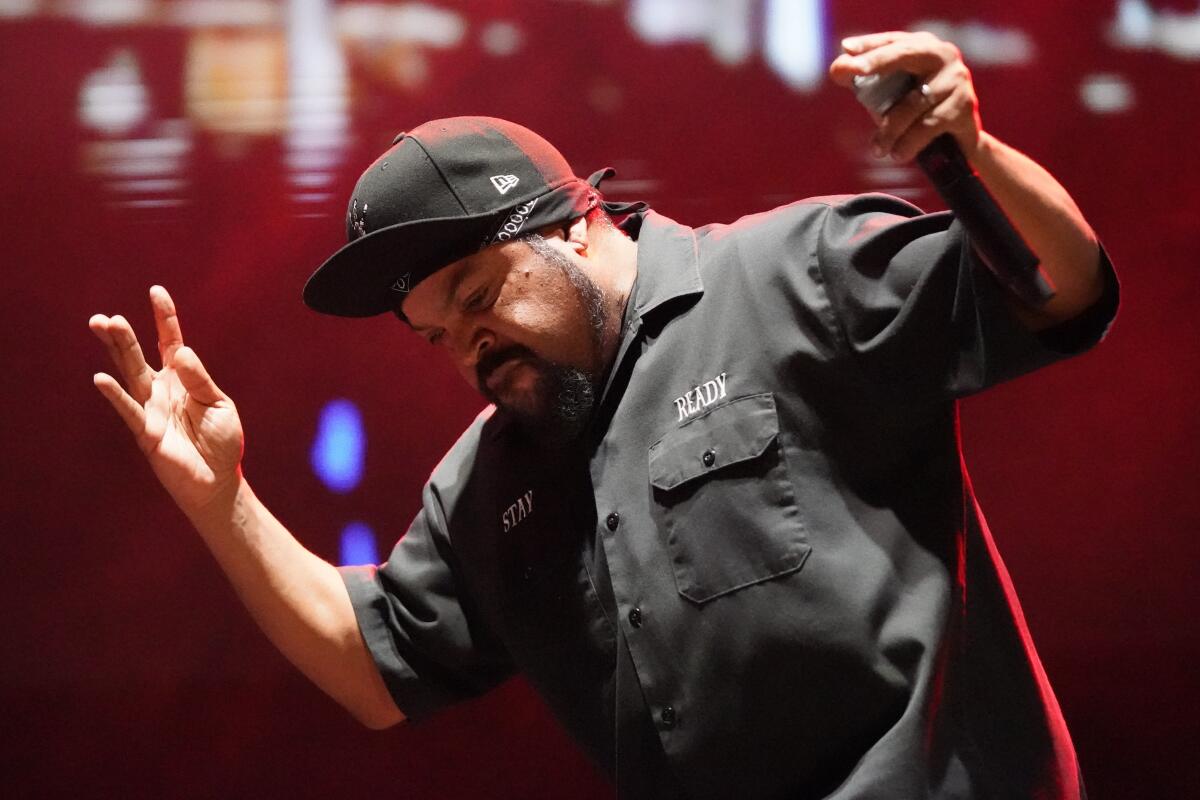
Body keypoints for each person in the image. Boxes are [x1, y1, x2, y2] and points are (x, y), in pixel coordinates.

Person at [90, 32, 1117, 800]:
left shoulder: (790, 278)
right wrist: (222, 501)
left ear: (576, 225)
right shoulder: (487, 484)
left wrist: (970, 158)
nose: (466, 348)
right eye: (434, 335)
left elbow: (1056, 290)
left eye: (480, 296)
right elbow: (371, 666)